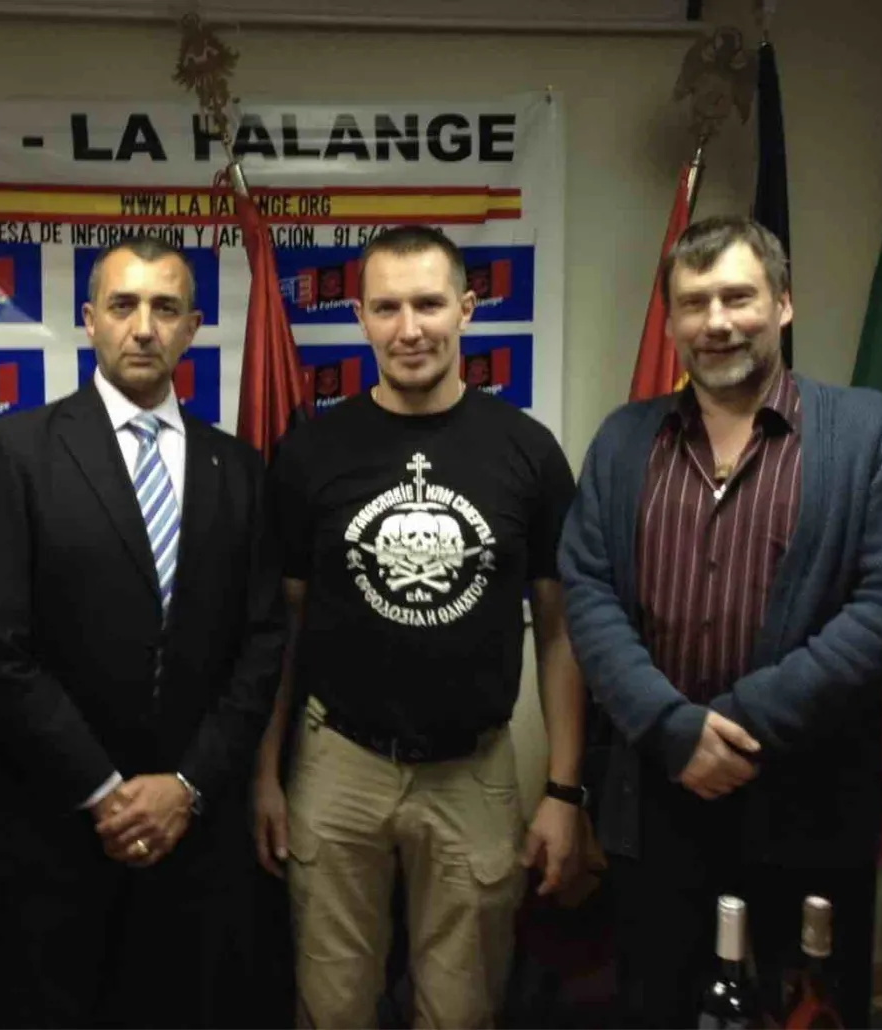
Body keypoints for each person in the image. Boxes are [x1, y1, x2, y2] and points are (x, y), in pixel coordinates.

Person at [558, 215, 882, 1027]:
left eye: (738, 297)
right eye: (695, 303)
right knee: (658, 1006)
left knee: (809, 1011)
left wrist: (735, 725)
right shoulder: (623, 441)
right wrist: (672, 729)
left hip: (811, 805)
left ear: (783, 303)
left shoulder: (871, 434)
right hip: (658, 802)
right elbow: (587, 591)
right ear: (672, 322)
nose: (717, 321)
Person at [253, 224, 587, 1028]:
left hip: (474, 770)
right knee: (331, 1008)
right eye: (388, 308)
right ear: (361, 318)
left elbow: (560, 629)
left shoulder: (528, 452)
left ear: (466, 308)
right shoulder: (310, 453)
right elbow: (281, 629)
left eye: (430, 304)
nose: (410, 329)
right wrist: (265, 774)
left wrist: (564, 790)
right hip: (338, 764)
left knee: (463, 1011)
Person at [0, 236, 284, 1027]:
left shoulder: (238, 469)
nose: (144, 327)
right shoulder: (21, 451)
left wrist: (187, 787)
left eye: (165, 309)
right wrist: (107, 794)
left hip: (193, 836)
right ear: (90, 319)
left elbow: (262, 643)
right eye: (123, 305)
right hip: (57, 828)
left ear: (193, 327)